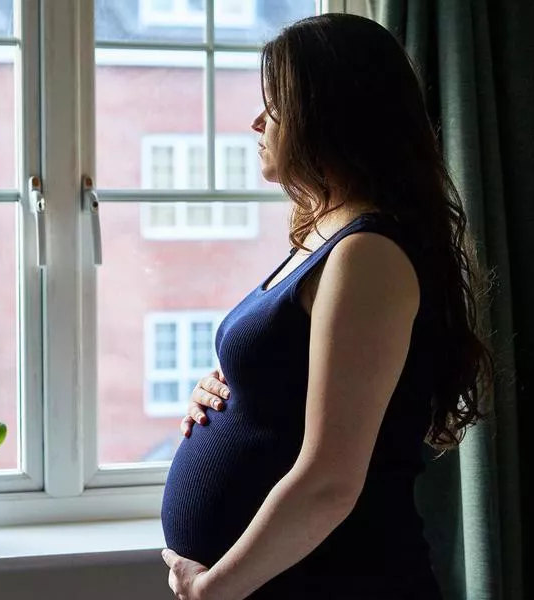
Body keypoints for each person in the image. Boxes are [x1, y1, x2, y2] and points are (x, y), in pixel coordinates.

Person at [159, 13, 492, 600]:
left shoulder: (368, 254)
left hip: (342, 580)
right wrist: (227, 393)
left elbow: (330, 480)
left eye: (275, 107)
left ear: (328, 118)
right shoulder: (324, 232)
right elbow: (291, 391)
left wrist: (214, 590)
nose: (257, 122)